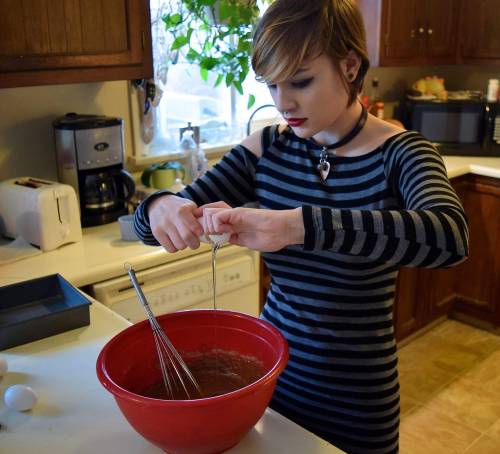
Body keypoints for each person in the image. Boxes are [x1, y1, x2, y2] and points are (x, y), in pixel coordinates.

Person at [134, 1, 469, 452]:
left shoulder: (404, 153)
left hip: (357, 399)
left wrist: (299, 227)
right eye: (272, 84)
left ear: (349, 66)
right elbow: (153, 221)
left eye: (301, 81)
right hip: (266, 383)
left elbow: (448, 238)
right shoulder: (267, 148)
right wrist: (159, 205)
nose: (282, 102)